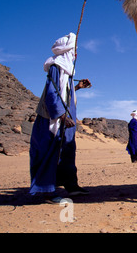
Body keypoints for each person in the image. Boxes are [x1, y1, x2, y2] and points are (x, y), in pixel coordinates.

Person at [29, 33, 91, 203]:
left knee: (67, 152)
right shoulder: (56, 67)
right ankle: (46, 192)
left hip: (65, 120)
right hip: (54, 120)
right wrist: (62, 116)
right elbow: (51, 95)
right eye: (74, 50)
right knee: (50, 152)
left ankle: (71, 186)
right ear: (68, 51)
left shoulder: (67, 71)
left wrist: (77, 87)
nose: (76, 54)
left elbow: (63, 94)